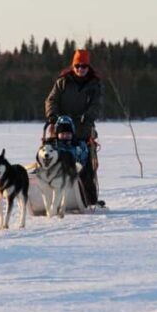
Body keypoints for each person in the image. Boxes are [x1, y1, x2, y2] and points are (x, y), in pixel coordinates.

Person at [45, 48, 103, 207]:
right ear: (73, 66)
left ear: (88, 67)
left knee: (86, 167)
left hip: (83, 131)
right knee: (53, 161)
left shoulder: (94, 84)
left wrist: (89, 116)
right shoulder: (62, 82)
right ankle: (51, 197)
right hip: (61, 129)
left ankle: (90, 201)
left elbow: (96, 105)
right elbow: (51, 100)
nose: (80, 70)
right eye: (77, 66)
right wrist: (52, 115)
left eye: (83, 66)